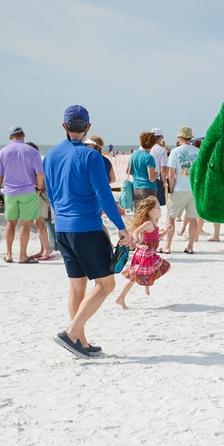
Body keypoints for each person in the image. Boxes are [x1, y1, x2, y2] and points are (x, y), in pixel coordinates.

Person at [43, 105, 130, 358]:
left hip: (62, 228)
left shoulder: (49, 156)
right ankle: (71, 334)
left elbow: (49, 192)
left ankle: (80, 342)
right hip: (87, 228)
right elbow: (104, 195)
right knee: (105, 285)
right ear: (88, 127)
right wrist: (122, 228)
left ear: (64, 126)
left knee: (76, 288)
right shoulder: (92, 157)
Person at [0, 125, 44, 264]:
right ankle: (22, 255)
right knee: (25, 224)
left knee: (11, 222)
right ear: (24, 135)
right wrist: (39, 189)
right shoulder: (32, 151)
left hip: (9, 192)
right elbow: (40, 173)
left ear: (11, 137)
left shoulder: (3, 151)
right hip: (28, 191)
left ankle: (8, 254)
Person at [115, 196, 171, 308]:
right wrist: (138, 243)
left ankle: (147, 283)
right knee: (134, 277)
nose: (161, 210)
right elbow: (135, 232)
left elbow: (157, 237)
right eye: (159, 208)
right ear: (152, 210)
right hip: (144, 254)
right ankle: (120, 298)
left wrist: (167, 231)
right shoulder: (148, 223)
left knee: (163, 266)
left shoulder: (154, 223)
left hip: (151, 254)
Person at [164, 126, 201, 253]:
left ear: (180, 138)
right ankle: (190, 246)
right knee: (193, 218)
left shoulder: (175, 152)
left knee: (170, 217)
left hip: (180, 188)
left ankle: (167, 246)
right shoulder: (198, 151)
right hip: (194, 189)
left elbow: (171, 173)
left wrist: (171, 189)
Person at [129, 132, 159, 205]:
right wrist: (156, 173)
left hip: (136, 187)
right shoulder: (149, 157)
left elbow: (128, 171)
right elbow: (151, 178)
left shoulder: (134, 154)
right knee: (149, 213)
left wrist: (138, 173)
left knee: (138, 212)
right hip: (148, 187)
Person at [149, 128, 170, 207]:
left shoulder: (144, 148)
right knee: (158, 204)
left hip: (145, 178)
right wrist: (164, 181)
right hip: (157, 178)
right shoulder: (162, 150)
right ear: (160, 137)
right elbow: (163, 169)